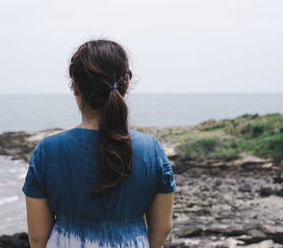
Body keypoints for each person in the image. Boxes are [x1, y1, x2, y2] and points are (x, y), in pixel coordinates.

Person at [22, 38, 176, 248]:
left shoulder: (47, 151)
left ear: (75, 86)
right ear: (125, 84)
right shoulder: (151, 149)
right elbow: (163, 227)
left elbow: (38, 237)